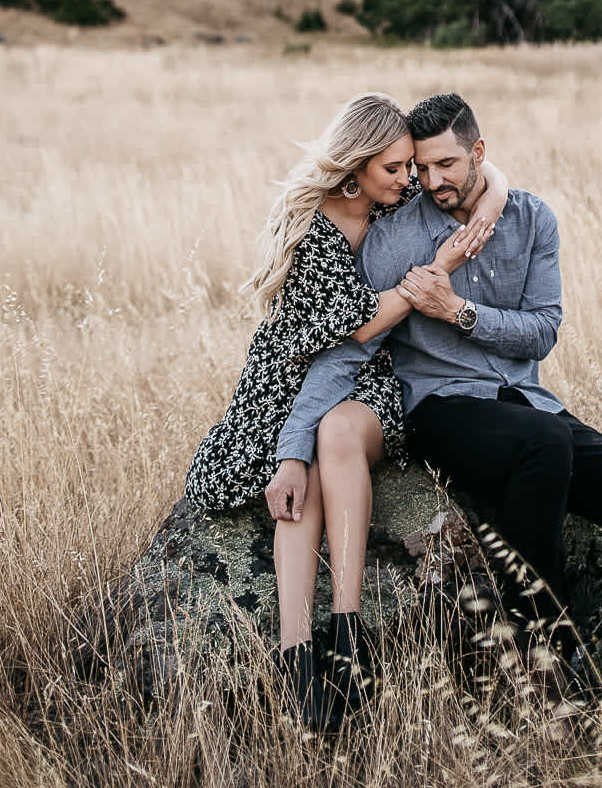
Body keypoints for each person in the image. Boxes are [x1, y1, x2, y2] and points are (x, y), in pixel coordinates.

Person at [274, 90, 602, 694]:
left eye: (445, 164)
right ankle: (545, 648)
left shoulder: (530, 219)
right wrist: (295, 447)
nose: (431, 179)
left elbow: (542, 332)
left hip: (528, 402)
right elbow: (349, 351)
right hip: (442, 407)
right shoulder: (393, 239)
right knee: (542, 445)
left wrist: (461, 312)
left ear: (479, 153)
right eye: (420, 167)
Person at [183, 92, 507, 729]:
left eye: (410, 168)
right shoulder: (314, 234)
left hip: (363, 378)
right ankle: (298, 657)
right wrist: (436, 267)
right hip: (293, 376)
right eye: (394, 169)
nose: (410, 181)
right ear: (355, 166)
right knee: (293, 476)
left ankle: (347, 639)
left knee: (329, 438)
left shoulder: (392, 204)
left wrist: (489, 199)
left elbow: (485, 171)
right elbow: (354, 333)